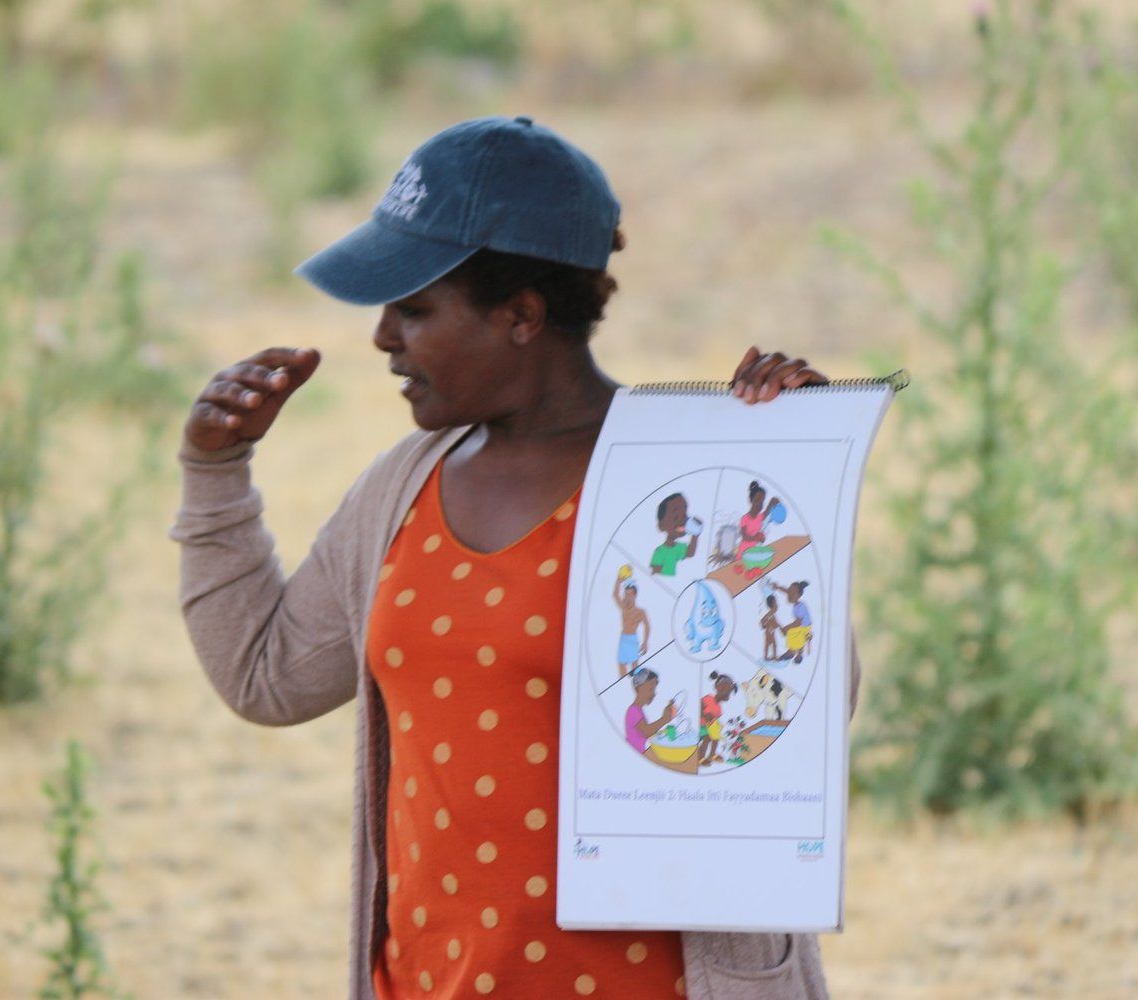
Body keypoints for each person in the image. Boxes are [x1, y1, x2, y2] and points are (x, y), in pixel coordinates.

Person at [169, 114, 852, 1000]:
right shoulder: (403, 491)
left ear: (522, 315)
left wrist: (782, 486)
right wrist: (215, 471)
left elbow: (802, 716)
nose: (383, 338)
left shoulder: (686, 481)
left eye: (414, 309)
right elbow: (266, 677)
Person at [624, 668, 675, 755]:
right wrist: (664, 719)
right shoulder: (633, 711)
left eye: (654, 689)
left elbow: (643, 734)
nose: (654, 693)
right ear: (638, 689)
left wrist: (664, 731)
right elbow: (646, 732)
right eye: (651, 689)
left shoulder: (638, 710)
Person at [612, 572, 649, 676]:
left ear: (635, 595)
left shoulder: (640, 612)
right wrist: (619, 580)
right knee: (621, 664)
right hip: (623, 639)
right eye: (626, 594)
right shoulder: (623, 607)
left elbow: (647, 626)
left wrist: (645, 642)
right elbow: (615, 595)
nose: (627, 597)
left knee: (634, 666)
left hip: (633, 640)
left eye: (630, 594)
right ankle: (621, 684)